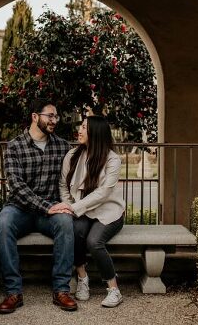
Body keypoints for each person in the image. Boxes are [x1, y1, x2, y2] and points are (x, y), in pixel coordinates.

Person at [0, 99, 78, 314]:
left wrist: (64, 205)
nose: (54, 120)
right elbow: (16, 186)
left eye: (56, 116)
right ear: (34, 116)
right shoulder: (15, 145)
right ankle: (13, 292)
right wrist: (46, 207)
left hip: (50, 210)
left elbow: (73, 179)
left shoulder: (62, 146)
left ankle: (61, 290)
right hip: (19, 208)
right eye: (50, 115)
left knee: (66, 222)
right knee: (3, 224)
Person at [55, 115, 126, 308]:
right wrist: (68, 204)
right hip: (81, 210)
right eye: (81, 126)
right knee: (75, 232)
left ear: (96, 132)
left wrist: (74, 207)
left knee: (94, 242)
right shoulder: (72, 155)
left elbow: (103, 193)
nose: (80, 130)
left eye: (85, 127)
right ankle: (82, 278)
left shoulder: (113, 160)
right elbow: (63, 184)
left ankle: (114, 290)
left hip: (108, 212)